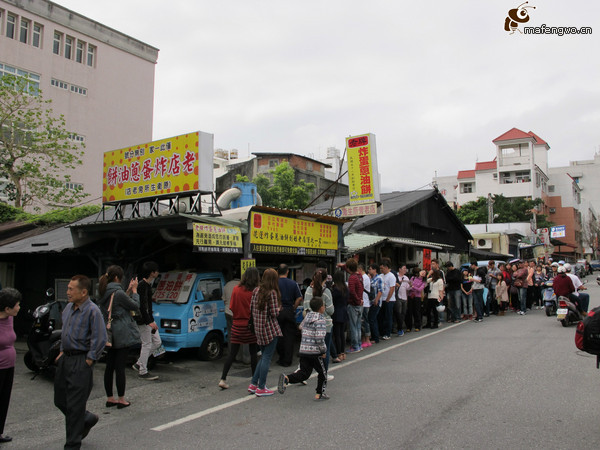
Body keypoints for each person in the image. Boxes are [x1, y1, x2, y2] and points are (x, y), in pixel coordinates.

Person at [54, 275, 107, 450]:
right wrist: (62, 350)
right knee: (60, 399)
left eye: (71, 289)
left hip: (81, 360)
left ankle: (72, 444)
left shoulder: (93, 311)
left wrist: (90, 359)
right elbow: (65, 331)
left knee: (75, 405)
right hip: (65, 358)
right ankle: (86, 418)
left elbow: (100, 338)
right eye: (68, 288)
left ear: (83, 292)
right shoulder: (68, 308)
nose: (67, 292)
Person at [98, 265, 141, 409]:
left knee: (109, 366)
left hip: (109, 333)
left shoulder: (103, 290)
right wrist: (134, 291)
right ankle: (121, 399)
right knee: (120, 367)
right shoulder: (118, 293)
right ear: (117, 277)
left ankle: (110, 398)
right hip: (121, 333)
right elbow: (134, 306)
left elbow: (117, 304)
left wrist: (127, 290)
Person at [278, 296, 328, 400]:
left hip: (304, 350)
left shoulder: (308, 317)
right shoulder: (321, 320)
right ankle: (319, 393)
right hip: (315, 352)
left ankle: (287, 378)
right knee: (322, 373)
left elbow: (300, 327)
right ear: (321, 308)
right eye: (323, 305)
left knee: (304, 373)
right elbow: (319, 338)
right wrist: (323, 350)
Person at [219, 267, 260, 389]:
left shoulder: (236, 289)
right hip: (250, 326)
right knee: (253, 353)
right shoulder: (255, 291)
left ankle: (223, 378)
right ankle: (254, 381)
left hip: (237, 325)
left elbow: (231, 307)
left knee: (232, 354)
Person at [249, 268, 282, 397]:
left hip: (258, 328)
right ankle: (261, 387)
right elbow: (274, 313)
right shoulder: (272, 293)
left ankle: (253, 384)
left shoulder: (256, 291)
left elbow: (251, 308)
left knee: (263, 356)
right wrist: (279, 308)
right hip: (270, 329)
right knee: (267, 357)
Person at [132, 261, 161, 380]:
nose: (158, 273)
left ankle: (139, 363)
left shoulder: (147, 284)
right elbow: (142, 306)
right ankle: (143, 371)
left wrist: (152, 320)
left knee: (157, 342)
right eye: (156, 271)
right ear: (152, 273)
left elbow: (147, 305)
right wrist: (149, 321)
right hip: (143, 320)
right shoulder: (142, 285)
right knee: (147, 344)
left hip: (148, 319)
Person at [304, 269, 334, 374]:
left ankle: (303, 372)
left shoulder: (308, 290)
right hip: (325, 325)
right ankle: (323, 374)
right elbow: (331, 310)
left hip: (310, 325)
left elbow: (305, 307)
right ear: (326, 278)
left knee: (310, 350)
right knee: (324, 350)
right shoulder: (326, 291)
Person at [0, 288, 20, 444]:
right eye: (17, 305)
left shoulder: (10, 318)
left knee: (4, 400)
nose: (19, 307)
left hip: (9, 366)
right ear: (7, 308)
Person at [276, 264, 302, 367]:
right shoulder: (293, 283)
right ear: (287, 271)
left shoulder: (275, 284)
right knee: (289, 337)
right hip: (289, 311)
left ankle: (281, 358)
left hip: (278, 311)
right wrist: (294, 307)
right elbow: (299, 298)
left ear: (278, 272)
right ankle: (287, 360)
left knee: (278, 335)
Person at [345, 259, 363, 353]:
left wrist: (356, 300)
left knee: (353, 326)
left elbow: (351, 291)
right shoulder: (359, 276)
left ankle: (355, 346)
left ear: (348, 268)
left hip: (354, 304)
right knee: (358, 326)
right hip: (360, 304)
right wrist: (360, 300)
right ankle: (359, 344)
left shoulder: (352, 278)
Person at [331, 270, 349, 359]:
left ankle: (338, 353)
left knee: (337, 334)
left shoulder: (335, 289)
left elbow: (332, 300)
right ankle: (343, 352)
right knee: (342, 333)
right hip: (344, 311)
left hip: (337, 312)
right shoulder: (345, 288)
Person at [380, 261, 396, 339]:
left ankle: (388, 333)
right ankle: (383, 332)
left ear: (386, 267)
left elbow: (392, 288)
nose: (381, 270)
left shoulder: (391, 276)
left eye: (382, 268)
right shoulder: (381, 275)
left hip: (389, 300)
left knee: (388, 316)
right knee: (382, 317)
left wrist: (388, 299)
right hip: (381, 299)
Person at [367, 264, 383, 342]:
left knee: (372, 319)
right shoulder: (370, 278)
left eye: (370, 269)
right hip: (370, 302)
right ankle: (374, 336)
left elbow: (380, 290)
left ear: (375, 270)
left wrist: (377, 300)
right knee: (372, 319)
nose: (369, 270)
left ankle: (375, 337)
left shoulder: (379, 278)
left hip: (376, 302)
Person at [358, 264, 372, 348]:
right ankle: (364, 338)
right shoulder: (363, 277)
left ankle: (367, 339)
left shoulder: (365, 277)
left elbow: (361, 287)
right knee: (363, 321)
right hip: (364, 302)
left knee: (365, 321)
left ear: (360, 269)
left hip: (365, 303)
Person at [394, 265, 409, 335]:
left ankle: (400, 326)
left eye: (405, 268)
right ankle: (397, 327)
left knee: (403, 313)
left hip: (404, 297)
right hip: (398, 297)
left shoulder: (406, 278)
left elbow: (408, 288)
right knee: (398, 312)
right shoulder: (396, 276)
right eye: (404, 268)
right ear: (399, 269)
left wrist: (411, 285)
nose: (405, 270)